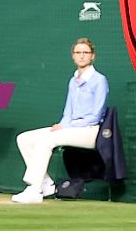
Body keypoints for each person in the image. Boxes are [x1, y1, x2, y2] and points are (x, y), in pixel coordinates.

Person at [10, 37, 109, 204]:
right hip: (70, 129)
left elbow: (96, 116)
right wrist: (63, 125)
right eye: (78, 52)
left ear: (93, 56)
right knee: (24, 139)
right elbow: (68, 111)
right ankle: (46, 184)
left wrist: (66, 126)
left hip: (91, 131)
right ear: (73, 56)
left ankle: (34, 189)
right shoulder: (73, 81)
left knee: (47, 139)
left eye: (86, 52)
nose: (82, 56)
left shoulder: (100, 80)